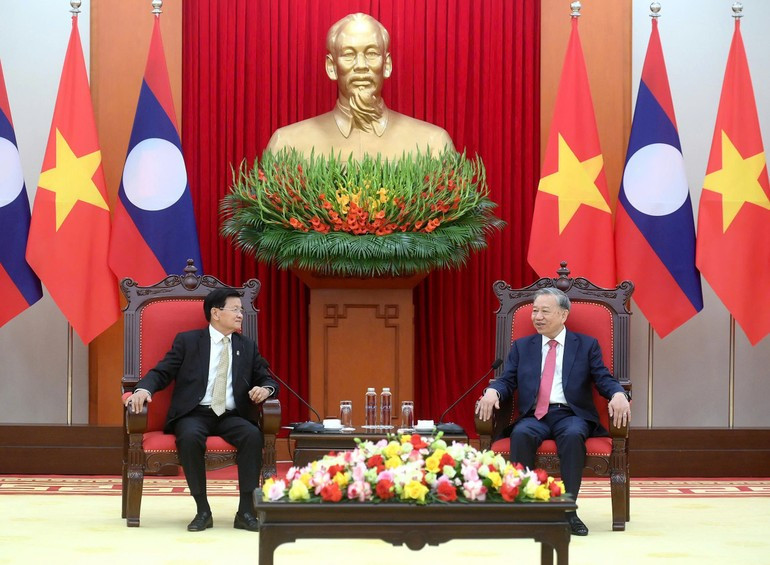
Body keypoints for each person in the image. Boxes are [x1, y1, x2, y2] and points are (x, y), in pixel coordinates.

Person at [475, 287, 630, 536]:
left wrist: (618, 394)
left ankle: (568, 510)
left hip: (571, 415)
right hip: (534, 415)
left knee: (572, 435)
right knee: (522, 434)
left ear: (563, 315)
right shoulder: (522, 346)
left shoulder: (586, 345)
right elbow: (506, 380)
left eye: (545, 311)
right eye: (535, 311)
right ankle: (526, 509)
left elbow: (603, 378)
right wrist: (492, 392)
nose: (537, 316)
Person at [123, 288, 279, 532]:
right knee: (189, 436)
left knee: (252, 435)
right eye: (235, 309)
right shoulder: (188, 341)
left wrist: (266, 390)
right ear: (216, 313)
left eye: (241, 310)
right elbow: (162, 372)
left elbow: (267, 378)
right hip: (194, 413)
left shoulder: (246, 346)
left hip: (230, 415)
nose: (240, 315)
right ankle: (203, 510)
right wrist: (143, 390)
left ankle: (246, 511)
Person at [265, 12, 455, 161]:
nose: (361, 65)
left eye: (371, 53)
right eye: (348, 54)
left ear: (386, 65)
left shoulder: (433, 145)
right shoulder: (288, 145)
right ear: (331, 67)